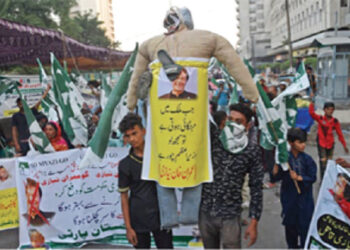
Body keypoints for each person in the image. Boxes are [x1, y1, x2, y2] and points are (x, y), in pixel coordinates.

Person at [126, 6, 259, 111]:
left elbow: (135, 77)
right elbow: (235, 65)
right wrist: (250, 92)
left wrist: (131, 101)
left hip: (162, 111)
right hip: (194, 110)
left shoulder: (149, 44)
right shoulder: (209, 38)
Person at [199, 104, 264, 248]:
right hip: (206, 213)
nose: (233, 124)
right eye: (230, 119)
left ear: (247, 126)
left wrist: (254, 222)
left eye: (239, 121)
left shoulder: (251, 151)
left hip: (230, 217)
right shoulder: (214, 139)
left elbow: (256, 188)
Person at [118, 113, 173, 249]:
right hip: (138, 219)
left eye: (134, 133)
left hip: (161, 217)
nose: (132, 139)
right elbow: (124, 197)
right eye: (128, 135)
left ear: (143, 131)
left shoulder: (159, 155)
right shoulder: (125, 164)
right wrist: (129, 228)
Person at [272, 128, 317, 248]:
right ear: (291, 143)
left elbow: (313, 177)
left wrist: (300, 178)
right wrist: (277, 164)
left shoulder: (307, 159)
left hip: (305, 201)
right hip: (289, 200)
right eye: (300, 142)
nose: (303, 145)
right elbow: (276, 177)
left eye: (304, 142)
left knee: (305, 231)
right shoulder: (285, 159)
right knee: (291, 230)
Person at [309, 101, 348, 180]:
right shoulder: (320, 118)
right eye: (328, 109)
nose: (330, 111)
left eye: (332, 109)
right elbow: (311, 113)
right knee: (323, 162)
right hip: (321, 143)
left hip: (330, 144)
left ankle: (327, 179)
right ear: (324, 110)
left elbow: (339, 133)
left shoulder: (335, 121)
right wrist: (312, 102)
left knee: (329, 163)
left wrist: (344, 145)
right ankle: (323, 179)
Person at [11, 85, 51, 156]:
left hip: (35, 141)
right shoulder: (15, 116)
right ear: (17, 105)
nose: (21, 105)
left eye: (22, 103)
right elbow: (14, 131)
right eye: (19, 103)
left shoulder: (32, 111)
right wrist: (16, 144)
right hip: (23, 142)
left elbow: (40, 100)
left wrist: (47, 90)